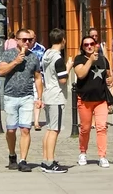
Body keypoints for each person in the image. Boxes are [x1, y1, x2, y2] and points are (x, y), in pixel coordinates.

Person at [0, 28, 41, 172]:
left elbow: (38, 77)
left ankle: (23, 160)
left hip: (27, 97)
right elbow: (1, 71)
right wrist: (16, 61)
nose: (27, 42)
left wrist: (39, 97)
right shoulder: (8, 54)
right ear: (16, 40)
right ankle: (12, 155)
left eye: (29, 40)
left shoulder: (34, 57)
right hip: (10, 96)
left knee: (25, 130)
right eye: (24, 40)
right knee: (11, 130)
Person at [74, 33, 113, 169]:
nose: (89, 46)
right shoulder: (79, 59)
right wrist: (90, 61)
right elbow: (80, 74)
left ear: (96, 45)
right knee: (85, 129)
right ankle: (83, 152)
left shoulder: (103, 59)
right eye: (86, 44)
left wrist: (110, 79)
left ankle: (102, 156)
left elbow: (109, 76)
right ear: (82, 47)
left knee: (101, 127)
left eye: (92, 44)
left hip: (101, 99)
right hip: (85, 99)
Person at [36, 28, 70, 173]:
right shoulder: (58, 58)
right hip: (56, 96)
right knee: (54, 130)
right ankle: (50, 162)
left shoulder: (46, 54)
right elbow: (63, 79)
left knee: (49, 128)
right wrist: (69, 67)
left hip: (48, 93)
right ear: (63, 40)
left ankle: (46, 159)